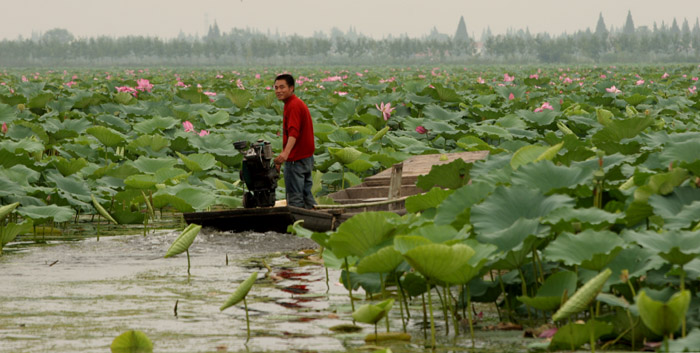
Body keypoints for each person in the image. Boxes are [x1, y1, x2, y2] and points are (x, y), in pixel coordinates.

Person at [273, 74, 316, 209]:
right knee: (306, 195)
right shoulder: (294, 103)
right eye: (276, 88)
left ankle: (297, 226)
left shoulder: (293, 105)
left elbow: (293, 133)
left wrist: (286, 155)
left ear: (291, 88)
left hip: (296, 159)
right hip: (306, 158)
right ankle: (315, 221)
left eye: (282, 87)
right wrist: (282, 155)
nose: (278, 91)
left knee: (295, 199)